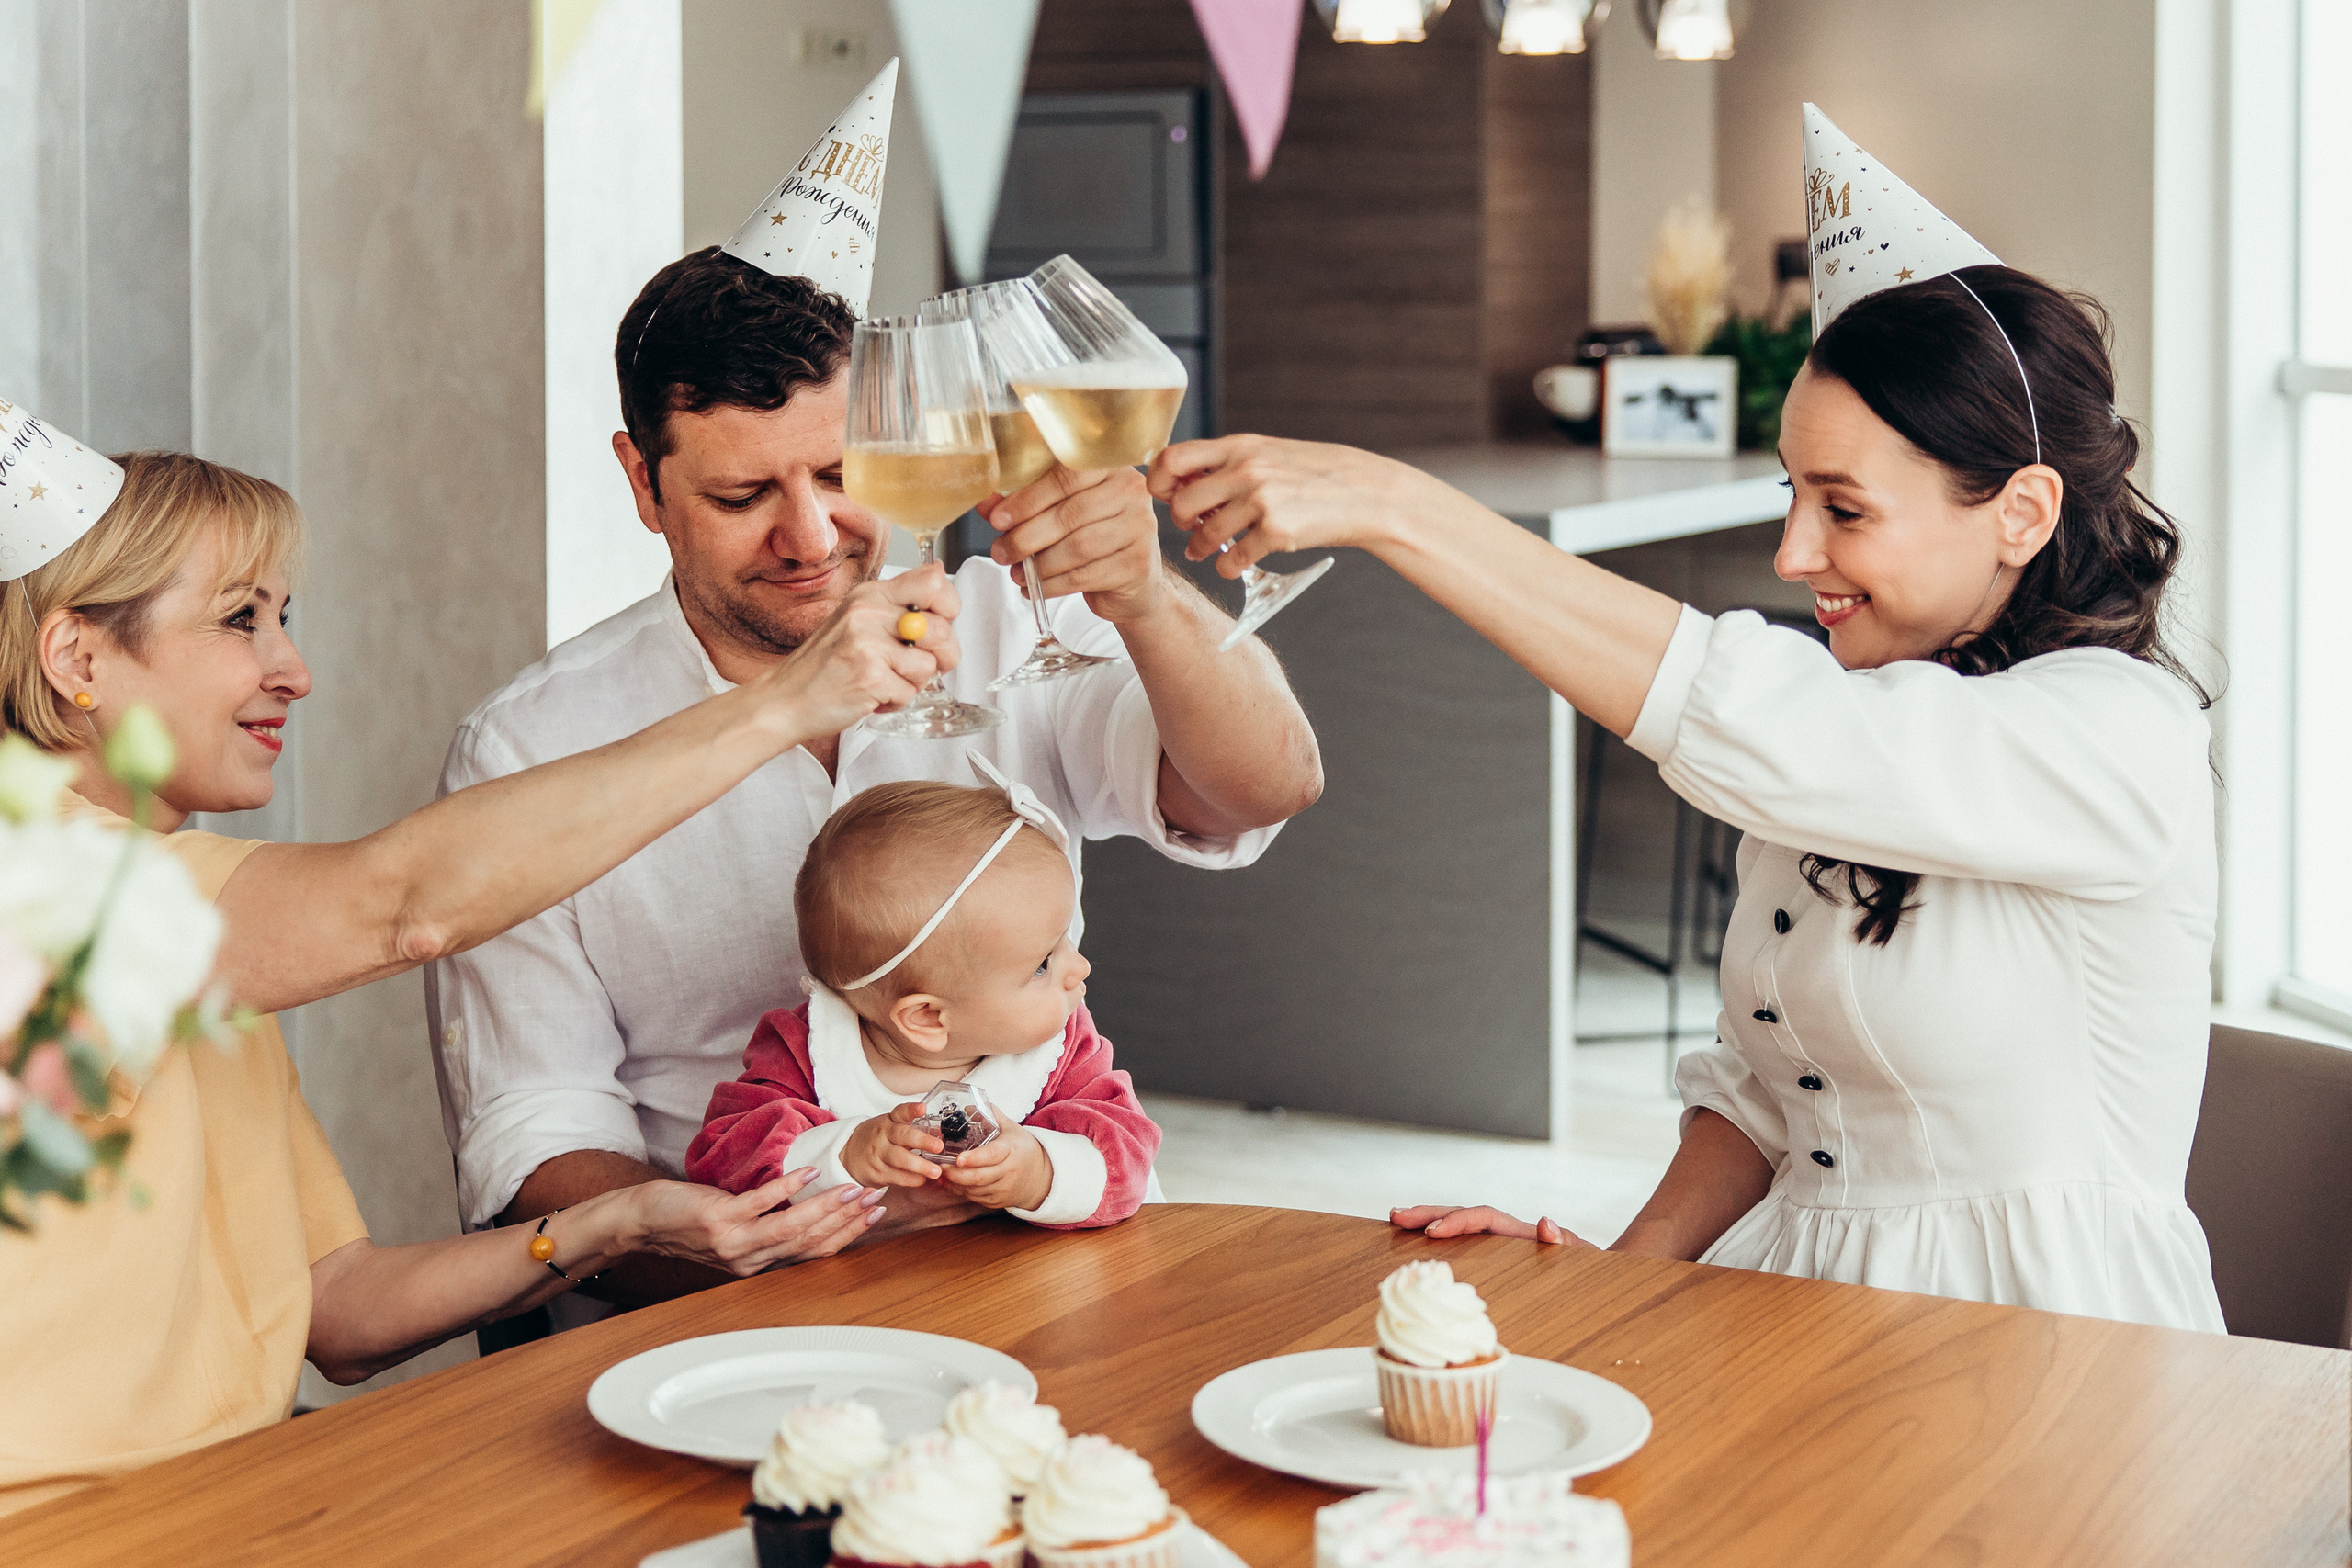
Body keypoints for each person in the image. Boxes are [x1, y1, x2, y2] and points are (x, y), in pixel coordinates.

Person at [1146, 111, 2225, 1334]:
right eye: (1792, 492)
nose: (1792, 551)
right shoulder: (1856, 730)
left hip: (2048, 1347)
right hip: (1797, 1315)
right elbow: (1769, 1098)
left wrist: (1401, 507)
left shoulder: (2118, 738)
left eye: (1845, 508)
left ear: (2021, 510)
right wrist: (1610, 1279)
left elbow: (1769, 716)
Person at [0, 443, 963, 1515]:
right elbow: (402, 906)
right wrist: (782, 704)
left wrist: (620, 1220)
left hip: (236, 1492)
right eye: (240, 620)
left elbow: (338, 1310)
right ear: (76, 658)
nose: (293, 669)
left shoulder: (204, 936)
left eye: (286, 617)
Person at [427, 254, 1320, 1316]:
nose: (809, 538)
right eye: (741, 493)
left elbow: (1267, 787)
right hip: (712, 1299)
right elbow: (534, 1136)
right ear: (642, 483)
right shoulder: (529, 747)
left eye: (843, 475)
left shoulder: (1004, 622)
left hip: (1050, 1268)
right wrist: (750, 1258)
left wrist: (1144, 598)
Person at [687, 760, 1159, 1229]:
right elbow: (725, 1158)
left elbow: (1126, 1156)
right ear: (929, 1018)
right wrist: (845, 1154)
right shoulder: (808, 1050)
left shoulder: (1061, 1048)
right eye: (1042, 963)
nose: (1080, 967)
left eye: (1063, 941)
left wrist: (1039, 1170)